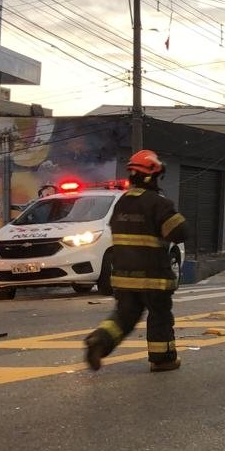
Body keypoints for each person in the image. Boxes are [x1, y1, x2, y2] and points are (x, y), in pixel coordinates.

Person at [84, 150, 189, 372]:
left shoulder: (122, 203)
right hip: (153, 277)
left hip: (123, 277)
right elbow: (180, 232)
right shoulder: (158, 203)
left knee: (123, 317)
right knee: (160, 317)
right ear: (151, 177)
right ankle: (163, 359)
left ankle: (99, 341)